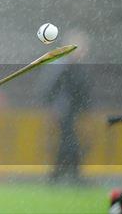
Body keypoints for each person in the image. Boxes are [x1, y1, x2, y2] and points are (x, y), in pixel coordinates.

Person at [41, 29, 91, 183]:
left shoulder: (76, 67)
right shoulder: (61, 66)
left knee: (68, 142)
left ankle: (60, 175)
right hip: (64, 112)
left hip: (72, 112)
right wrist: (53, 107)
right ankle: (68, 175)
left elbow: (84, 91)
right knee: (68, 142)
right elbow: (50, 89)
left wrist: (84, 109)